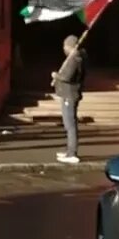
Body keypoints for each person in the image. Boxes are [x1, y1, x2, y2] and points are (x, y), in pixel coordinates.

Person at [52, 35, 85, 164]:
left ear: (70, 46)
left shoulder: (75, 59)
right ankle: (69, 150)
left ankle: (72, 153)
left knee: (70, 124)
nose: (64, 48)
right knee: (68, 124)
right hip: (67, 94)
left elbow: (67, 77)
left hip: (69, 95)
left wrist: (57, 76)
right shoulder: (74, 58)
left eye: (65, 46)